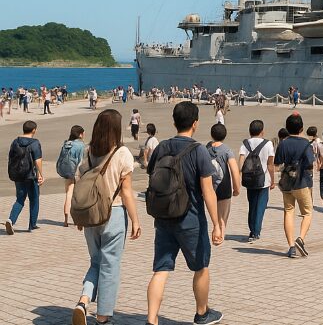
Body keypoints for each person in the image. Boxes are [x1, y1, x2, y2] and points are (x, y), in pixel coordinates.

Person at [144, 101, 224, 325]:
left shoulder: (162, 147)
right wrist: (217, 223)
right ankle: (202, 313)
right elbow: (208, 191)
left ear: (174, 122)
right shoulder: (198, 150)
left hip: (163, 216)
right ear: (196, 124)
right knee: (200, 267)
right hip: (191, 219)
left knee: (161, 269)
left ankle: (151, 319)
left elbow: (153, 176)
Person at [71, 109, 141, 325]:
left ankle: (83, 300)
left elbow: (79, 180)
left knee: (96, 262)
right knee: (110, 267)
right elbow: (127, 191)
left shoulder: (89, 151)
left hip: (91, 216)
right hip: (114, 213)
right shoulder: (122, 154)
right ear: (117, 130)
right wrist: (136, 221)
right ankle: (102, 318)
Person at [274, 114, 314, 259]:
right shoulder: (305, 144)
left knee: (288, 211)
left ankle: (291, 246)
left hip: (287, 182)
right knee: (308, 212)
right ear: (302, 128)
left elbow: (277, 162)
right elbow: (310, 163)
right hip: (302, 182)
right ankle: (301, 239)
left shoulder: (283, 143)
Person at [238, 119, 275, 242]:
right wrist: (273, 180)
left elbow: (241, 162)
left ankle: (252, 230)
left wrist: (239, 175)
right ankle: (256, 232)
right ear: (262, 131)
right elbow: (270, 164)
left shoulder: (245, 143)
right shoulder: (268, 144)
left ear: (250, 131)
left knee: (252, 205)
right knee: (260, 206)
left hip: (249, 180)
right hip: (263, 180)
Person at [5, 120, 44, 235]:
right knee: (34, 199)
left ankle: (11, 220)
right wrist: (40, 174)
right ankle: (32, 225)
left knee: (20, 199)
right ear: (34, 130)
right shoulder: (35, 143)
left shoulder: (15, 142)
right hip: (30, 176)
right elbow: (38, 160)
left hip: (18, 175)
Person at [206, 124, 239, 237]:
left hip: (209, 186)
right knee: (223, 215)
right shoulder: (227, 150)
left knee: (214, 213)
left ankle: (215, 228)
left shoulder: (206, 149)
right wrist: (236, 188)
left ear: (211, 135)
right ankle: (220, 234)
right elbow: (234, 170)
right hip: (224, 186)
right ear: (225, 135)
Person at [57, 125, 87, 227]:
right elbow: (81, 161)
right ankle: (78, 220)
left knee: (68, 194)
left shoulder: (66, 143)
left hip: (67, 172)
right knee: (78, 197)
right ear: (80, 134)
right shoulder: (81, 145)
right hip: (77, 173)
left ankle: (65, 220)